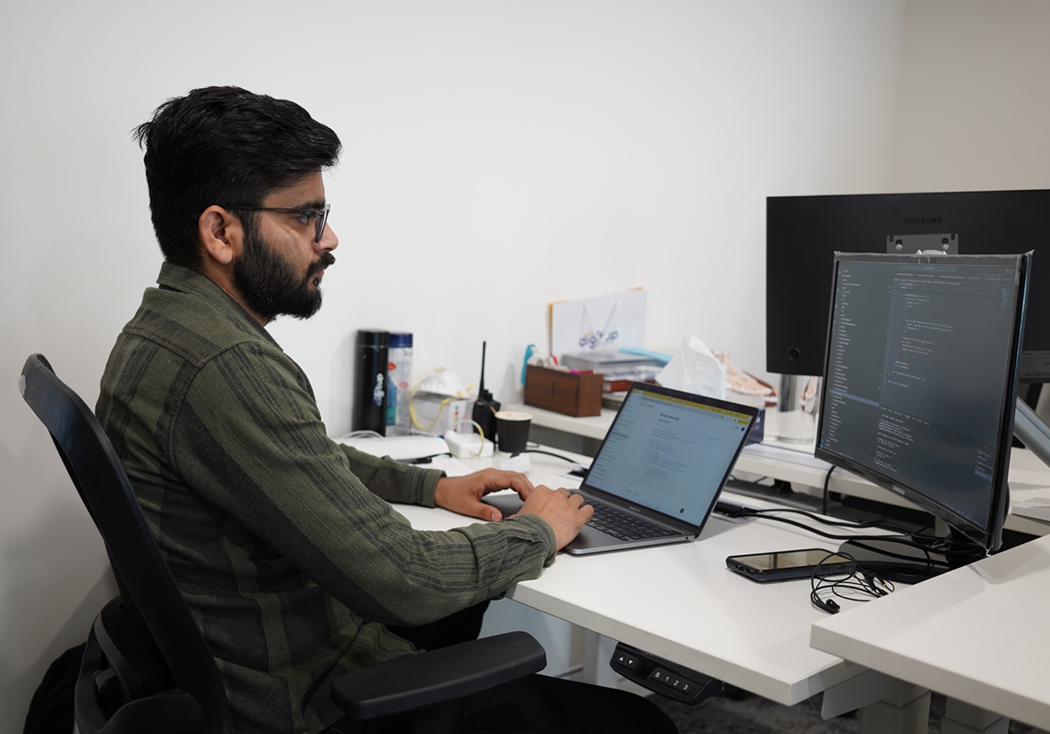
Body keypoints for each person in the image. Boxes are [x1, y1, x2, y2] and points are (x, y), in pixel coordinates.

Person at [96, 86, 678, 734]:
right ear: (220, 231)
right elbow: (404, 579)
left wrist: (433, 486)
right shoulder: (226, 366)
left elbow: (304, 456)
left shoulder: (159, 330)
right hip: (310, 699)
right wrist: (538, 529)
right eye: (305, 217)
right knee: (638, 724)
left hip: (255, 667)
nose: (330, 238)